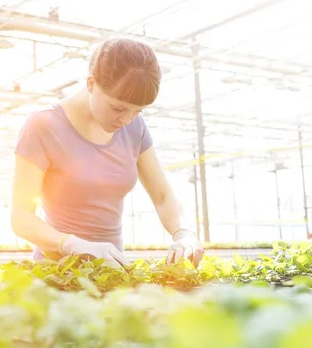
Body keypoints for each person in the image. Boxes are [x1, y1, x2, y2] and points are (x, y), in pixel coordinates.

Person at [11, 37, 204, 268]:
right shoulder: (42, 126)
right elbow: (21, 218)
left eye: (137, 111)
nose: (126, 120)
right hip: (58, 274)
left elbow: (163, 197)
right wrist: (73, 245)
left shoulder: (135, 127)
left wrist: (184, 233)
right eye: (118, 108)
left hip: (113, 273)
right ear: (91, 83)